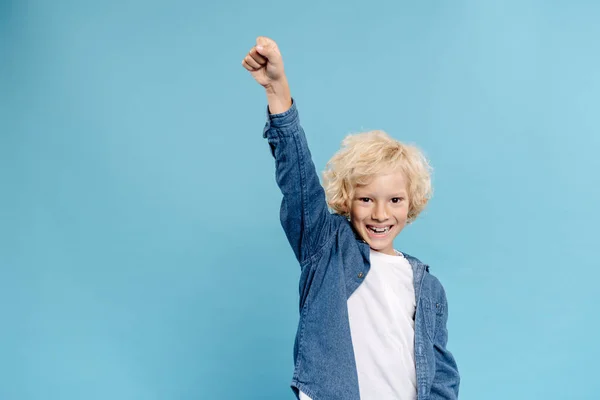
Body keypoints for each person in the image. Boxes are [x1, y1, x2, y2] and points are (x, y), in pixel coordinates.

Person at [241, 36, 460, 400]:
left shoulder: (427, 286)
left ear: (411, 202)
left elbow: (441, 374)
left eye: (394, 200)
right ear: (346, 199)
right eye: (366, 199)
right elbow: (298, 180)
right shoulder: (327, 251)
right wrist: (278, 91)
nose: (380, 214)